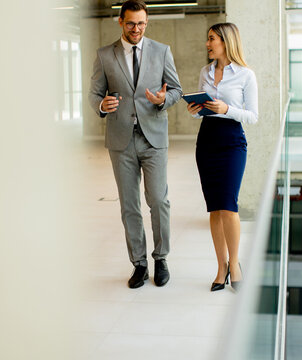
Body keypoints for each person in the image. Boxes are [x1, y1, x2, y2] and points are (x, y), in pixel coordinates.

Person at [88, 0, 182, 289]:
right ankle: (139, 264)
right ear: (120, 22)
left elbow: (176, 89)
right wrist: (102, 105)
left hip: (153, 137)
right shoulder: (105, 55)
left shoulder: (161, 51)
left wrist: (162, 100)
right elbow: (94, 94)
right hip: (121, 140)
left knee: (158, 200)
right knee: (129, 206)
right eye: (131, 23)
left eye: (142, 23)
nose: (137, 29)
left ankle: (161, 258)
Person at [186, 23, 258, 292]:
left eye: (212, 39)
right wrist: (195, 109)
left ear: (226, 42)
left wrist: (227, 108)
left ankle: (236, 264)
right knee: (214, 208)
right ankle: (221, 266)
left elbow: (252, 116)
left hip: (231, 142)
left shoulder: (245, 75)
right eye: (208, 39)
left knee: (229, 206)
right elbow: (199, 112)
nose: (208, 44)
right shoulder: (205, 72)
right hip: (207, 140)